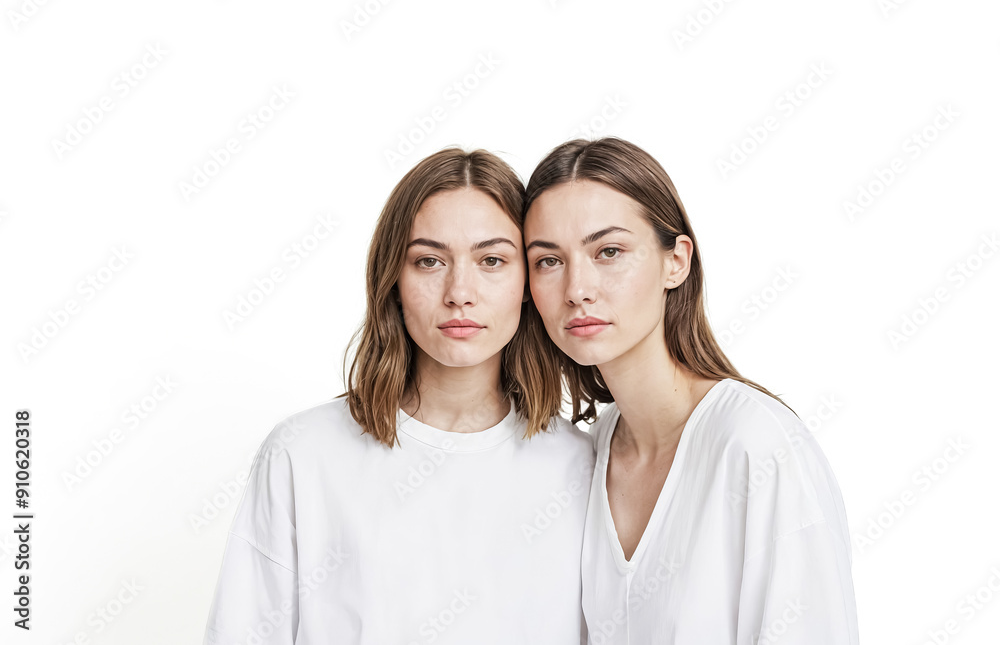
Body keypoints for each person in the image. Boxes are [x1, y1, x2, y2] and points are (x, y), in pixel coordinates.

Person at [203, 147, 595, 644]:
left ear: (528, 280)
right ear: (394, 278)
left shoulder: (581, 465)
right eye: (429, 261)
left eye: (491, 260)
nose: (459, 291)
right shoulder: (304, 454)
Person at [523, 137, 859, 644]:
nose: (577, 288)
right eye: (549, 260)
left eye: (609, 251)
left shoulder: (758, 447)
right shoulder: (589, 452)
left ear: (675, 261)